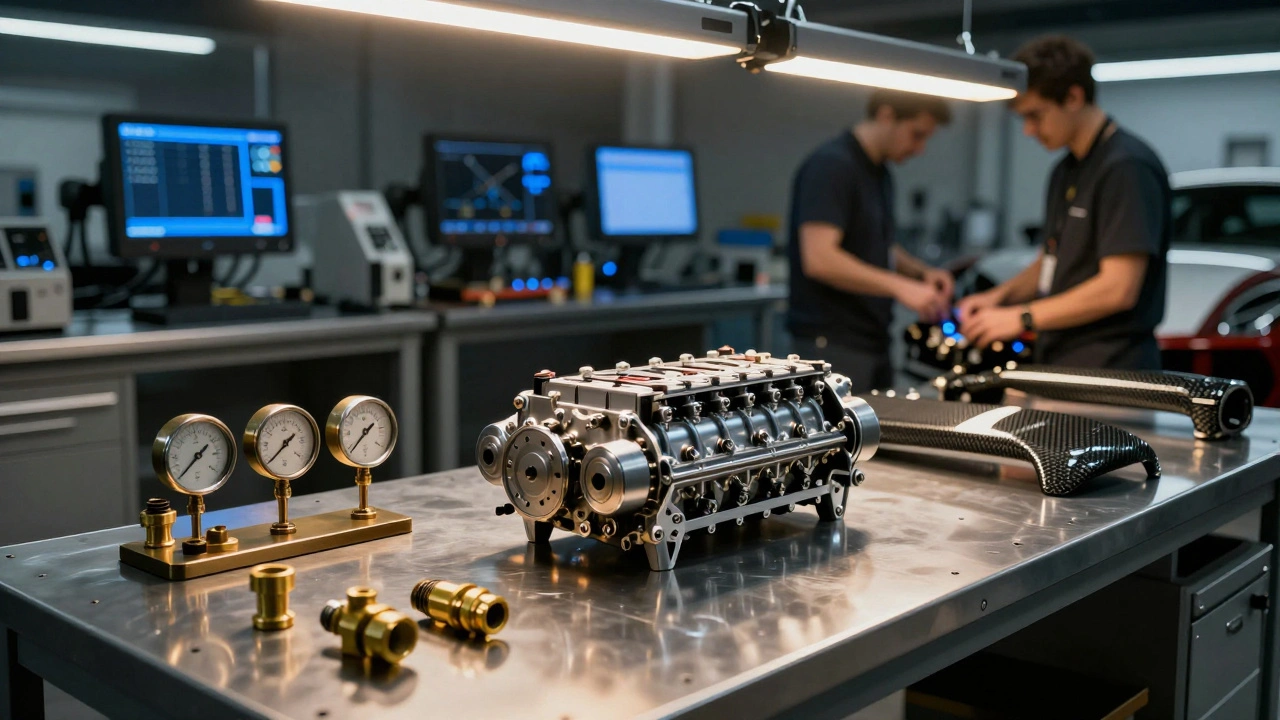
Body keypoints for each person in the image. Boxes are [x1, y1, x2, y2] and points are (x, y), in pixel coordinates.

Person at [959, 35, 1171, 370]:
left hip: (1111, 369)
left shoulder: (1126, 167)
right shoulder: (1066, 169)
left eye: (1036, 115)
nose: (1029, 131)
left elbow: (1119, 288)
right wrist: (999, 297)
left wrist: (1022, 317)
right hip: (1061, 357)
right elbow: (1053, 259)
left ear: (1073, 96)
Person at [787, 90, 955, 393]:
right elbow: (820, 258)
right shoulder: (832, 167)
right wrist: (901, 286)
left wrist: (920, 273)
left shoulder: (879, 173)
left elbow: (877, 243)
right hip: (832, 343)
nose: (920, 149)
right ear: (886, 115)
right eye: (916, 135)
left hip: (871, 340)